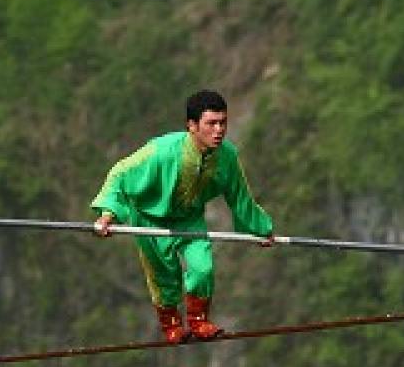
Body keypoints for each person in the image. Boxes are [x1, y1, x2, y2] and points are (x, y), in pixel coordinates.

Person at [91, 89, 274, 344]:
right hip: (149, 217)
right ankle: (172, 325)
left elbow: (240, 196)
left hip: (189, 218)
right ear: (192, 126)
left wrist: (260, 230)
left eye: (223, 123)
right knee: (164, 275)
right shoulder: (161, 151)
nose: (219, 130)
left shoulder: (227, 157)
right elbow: (120, 173)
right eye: (211, 124)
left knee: (203, 268)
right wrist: (108, 215)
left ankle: (199, 321)